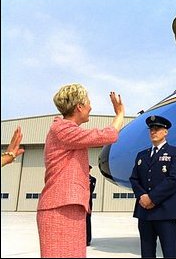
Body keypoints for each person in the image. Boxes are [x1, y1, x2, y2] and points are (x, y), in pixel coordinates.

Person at [37, 83, 125, 258]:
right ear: (79, 106)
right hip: (60, 208)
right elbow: (107, 135)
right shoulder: (61, 129)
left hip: (70, 207)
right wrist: (120, 113)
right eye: (88, 103)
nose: (91, 107)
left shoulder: (67, 131)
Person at [129, 115, 176, 258]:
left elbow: (174, 180)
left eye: (157, 129)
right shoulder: (141, 155)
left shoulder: (175, 152)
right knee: (147, 253)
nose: (153, 132)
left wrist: (152, 198)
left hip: (165, 212)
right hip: (144, 213)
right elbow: (134, 179)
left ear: (166, 132)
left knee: (169, 253)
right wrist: (143, 197)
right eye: (151, 129)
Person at [86, 165, 97, 246]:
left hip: (88, 201)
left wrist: (88, 205)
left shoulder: (93, 179)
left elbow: (90, 192)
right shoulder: (79, 179)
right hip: (80, 202)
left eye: (88, 169)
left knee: (87, 221)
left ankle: (87, 239)